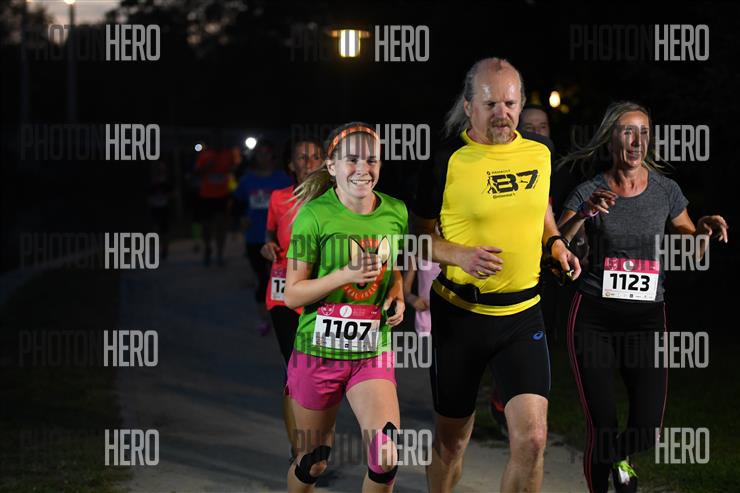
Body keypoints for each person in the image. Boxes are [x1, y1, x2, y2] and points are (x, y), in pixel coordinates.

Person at [412, 57, 581, 493]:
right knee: (452, 442)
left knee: (533, 439)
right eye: (490, 104)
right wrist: (458, 254)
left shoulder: (540, 152)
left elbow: (540, 210)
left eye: (510, 103)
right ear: (469, 107)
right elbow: (416, 238)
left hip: (522, 315)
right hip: (460, 317)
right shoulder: (445, 160)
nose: (502, 113)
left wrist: (555, 242)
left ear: (521, 103)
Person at [557, 101, 728, 493]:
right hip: (594, 319)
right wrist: (583, 213)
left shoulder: (666, 190)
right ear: (610, 139)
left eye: (644, 133)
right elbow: (556, 244)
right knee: (602, 426)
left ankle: (621, 457)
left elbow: (692, 249)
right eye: (628, 132)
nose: (637, 141)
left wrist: (702, 231)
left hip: (646, 321)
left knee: (648, 429)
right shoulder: (588, 190)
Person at [283, 122, 407, 492]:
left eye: (372, 160)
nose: (363, 169)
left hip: (371, 351)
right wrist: (344, 275)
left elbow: (392, 266)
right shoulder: (312, 216)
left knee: (386, 455)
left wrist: (397, 291)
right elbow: (293, 294)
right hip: (317, 354)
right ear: (331, 166)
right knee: (313, 462)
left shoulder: (396, 211)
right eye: (351, 160)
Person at [260, 138, 323, 461]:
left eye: (315, 156)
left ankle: (316, 444)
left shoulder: (335, 200)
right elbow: (270, 235)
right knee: (295, 373)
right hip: (285, 295)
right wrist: (268, 247)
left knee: (321, 376)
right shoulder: (279, 198)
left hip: (322, 293)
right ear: (291, 165)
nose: (309, 162)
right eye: (302, 157)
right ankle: (300, 452)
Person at [234, 141, 292, 335]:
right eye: (260, 153)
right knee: (262, 278)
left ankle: (281, 316)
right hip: (255, 238)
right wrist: (241, 219)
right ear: (254, 156)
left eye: (267, 153)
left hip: (280, 238)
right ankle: (263, 319)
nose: (263, 157)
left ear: (273, 156)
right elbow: (237, 204)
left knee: (281, 279)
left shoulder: (284, 179)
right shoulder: (247, 180)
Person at [195, 142, 240, 266]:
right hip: (206, 196)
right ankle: (207, 247)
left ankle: (220, 254)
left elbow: (235, 169)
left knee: (221, 225)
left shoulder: (228, 154)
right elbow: (197, 172)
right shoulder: (204, 155)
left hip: (222, 196)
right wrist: (207, 167)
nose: (217, 141)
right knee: (206, 226)